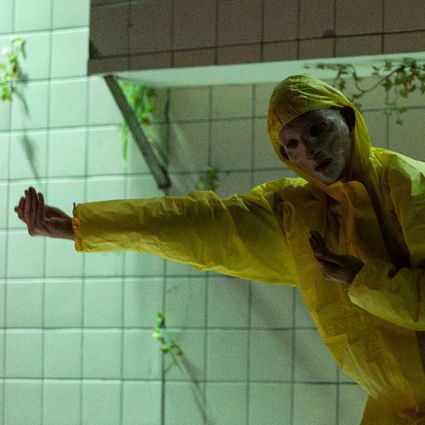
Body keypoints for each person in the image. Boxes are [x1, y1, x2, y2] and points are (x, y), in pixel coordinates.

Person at [14, 74, 425, 424]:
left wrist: (362, 279)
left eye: (317, 130)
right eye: (292, 145)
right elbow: (200, 224)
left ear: (347, 119)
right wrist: (82, 227)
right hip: (395, 410)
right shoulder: (300, 213)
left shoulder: (409, 186)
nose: (309, 151)